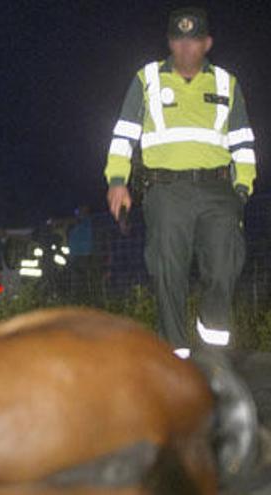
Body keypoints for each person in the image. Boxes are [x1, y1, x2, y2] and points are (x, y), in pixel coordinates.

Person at [104, 7, 257, 355]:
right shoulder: (147, 79)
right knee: (167, 270)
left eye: (194, 41)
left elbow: (243, 141)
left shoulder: (226, 82)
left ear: (207, 43)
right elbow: (123, 135)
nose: (186, 49)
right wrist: (117, 180)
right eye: (179, 41)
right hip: (166, 190)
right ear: (170, 42)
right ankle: (176, 354)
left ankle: (214, 347)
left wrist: (242, 188)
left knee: (224, 265)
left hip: (219, 190)